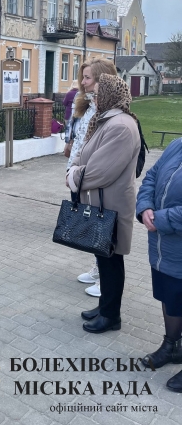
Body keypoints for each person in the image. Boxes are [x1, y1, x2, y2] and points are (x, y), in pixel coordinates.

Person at [66, 74, 140, 333]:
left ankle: (111, 316)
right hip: (101, 202)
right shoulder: (106, 120)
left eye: (97, 94)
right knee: (104, 258)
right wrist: (75, 169)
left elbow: (100, 172)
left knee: (111, 261)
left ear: (110, 95)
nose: (93, 99)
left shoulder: (120, 126)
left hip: (111, 204)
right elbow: (82, 155)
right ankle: (104, 306)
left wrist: (73, 176)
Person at [65, 57, 117, 297]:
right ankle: (98, 267)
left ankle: (106, 277)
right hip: (78, 175)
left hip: (95, 178)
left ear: (102, 80)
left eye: (87, 78)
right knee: (91, 223)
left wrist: (81, 174)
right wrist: (71, 171)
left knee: (102, 225)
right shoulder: (87, 106)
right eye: (82, 77)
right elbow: (80, 141)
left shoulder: (110, 113)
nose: (83, 83)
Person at [136, 137, 182, 392]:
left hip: (170, 235)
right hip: (164, 248)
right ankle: (172, 346)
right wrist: (145, 207)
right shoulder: (177, 145)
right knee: (170, 296)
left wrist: (160, 219)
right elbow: (151, 176)